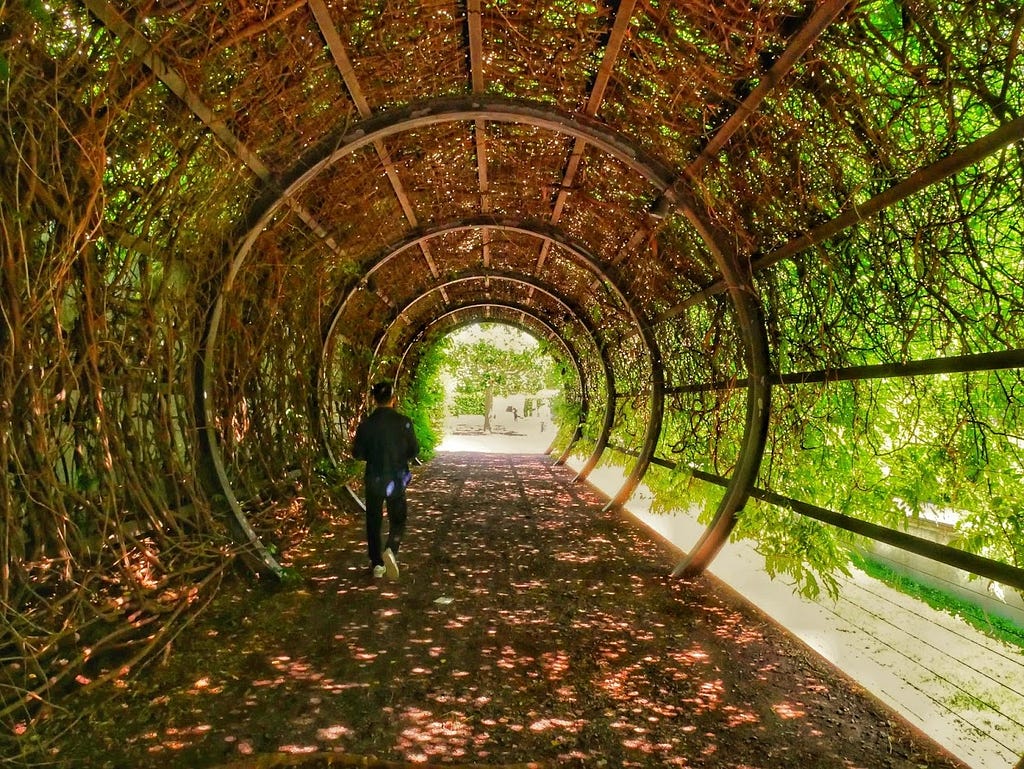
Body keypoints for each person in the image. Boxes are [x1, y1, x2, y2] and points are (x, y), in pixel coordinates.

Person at [352, 381, 419, 580]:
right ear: (394, 399)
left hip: (374, 477)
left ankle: (377, 564)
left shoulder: (366, 425)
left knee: (373, 520)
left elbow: (358, 453)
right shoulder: (404, 422)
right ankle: (390, 549)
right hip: (396, 479)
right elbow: (414, 451)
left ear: (374, 399)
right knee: (398, 518)